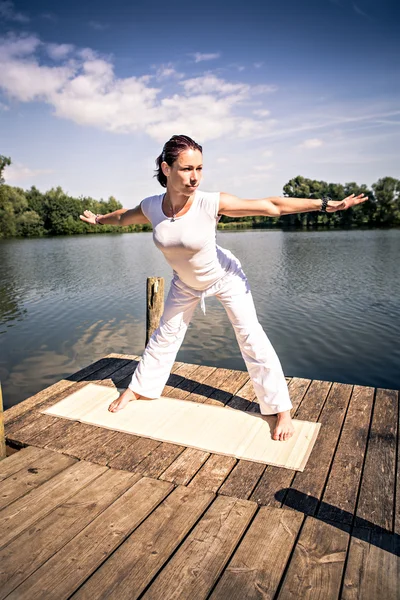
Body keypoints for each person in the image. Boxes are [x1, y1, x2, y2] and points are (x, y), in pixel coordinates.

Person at [80, 134, 367, 441]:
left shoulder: (209, 202)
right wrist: (99, 219)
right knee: (165, 335)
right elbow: (124, 217)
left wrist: (326, 205)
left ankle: (279, 409)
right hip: (185, 283)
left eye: (200, 169)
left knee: (250, 337)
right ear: (166, 169)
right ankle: (139, 390)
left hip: (225, 276)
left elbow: (271, 205)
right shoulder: (152, 207)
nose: (195, 177)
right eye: (186, 169)